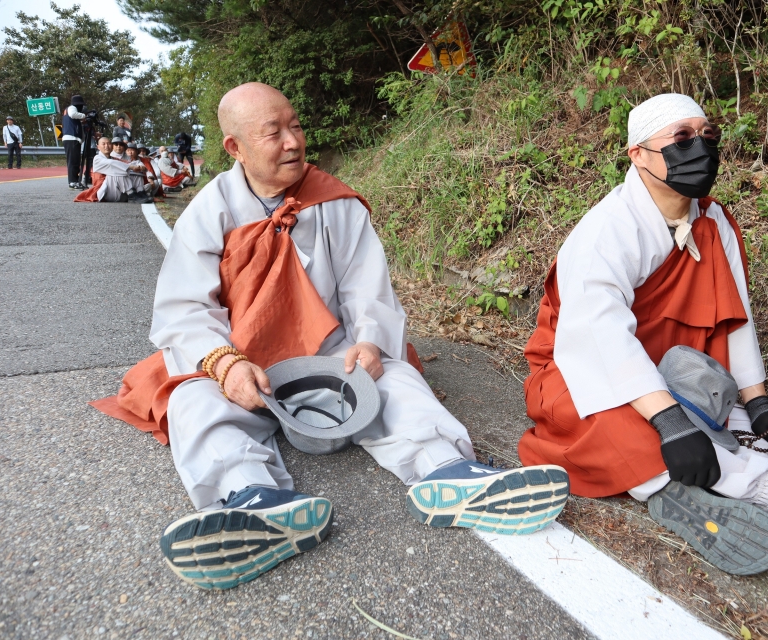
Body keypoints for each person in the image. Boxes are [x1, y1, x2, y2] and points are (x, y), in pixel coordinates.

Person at [90, 82, 569, 591]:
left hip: (330, 351)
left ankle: (449, 472)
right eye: (273, 133)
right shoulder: (209, 211)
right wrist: (225, 366)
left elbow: (368, 288)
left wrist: (368, 341)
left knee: (395, 379)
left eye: (294, 126)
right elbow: (186, 309)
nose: (293, 141)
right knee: (193, 400)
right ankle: (254, 503)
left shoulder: (334, 201)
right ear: (235, 148)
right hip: (243, 360)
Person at [518, 93, 768, 580]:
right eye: (680, 138)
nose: (698, 148)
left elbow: (733, 315)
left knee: (734, 420)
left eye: (707, 136)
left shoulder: (712, 220)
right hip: (576, 372)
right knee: (623, 426)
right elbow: (600, 342)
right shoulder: (606, 232)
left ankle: (691, 483)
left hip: (672, 367)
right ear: (637, 153)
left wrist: (759, 401)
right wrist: (668, 421)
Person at [74, 136, 153, 204]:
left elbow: (129, 163)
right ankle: (131, 194)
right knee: (117, 171)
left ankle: (140, 193)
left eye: (108, 143)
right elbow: (112, 164)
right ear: (98, 147)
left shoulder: (114, 158)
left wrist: (140, 166)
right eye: (103, 144)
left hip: (118, 191)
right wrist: (131, 167)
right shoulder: (97, 159)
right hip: (106, 193)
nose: (106, 146)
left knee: (135, 173)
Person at [62, 95, 88, 189]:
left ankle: (76, 180)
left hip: (72, 138)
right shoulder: (72, 108)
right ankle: (72, 182)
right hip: (71, 138)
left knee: (75, 161)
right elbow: (73, 114)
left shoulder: (67, 110)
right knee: (73, 161)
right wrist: (84, 116)